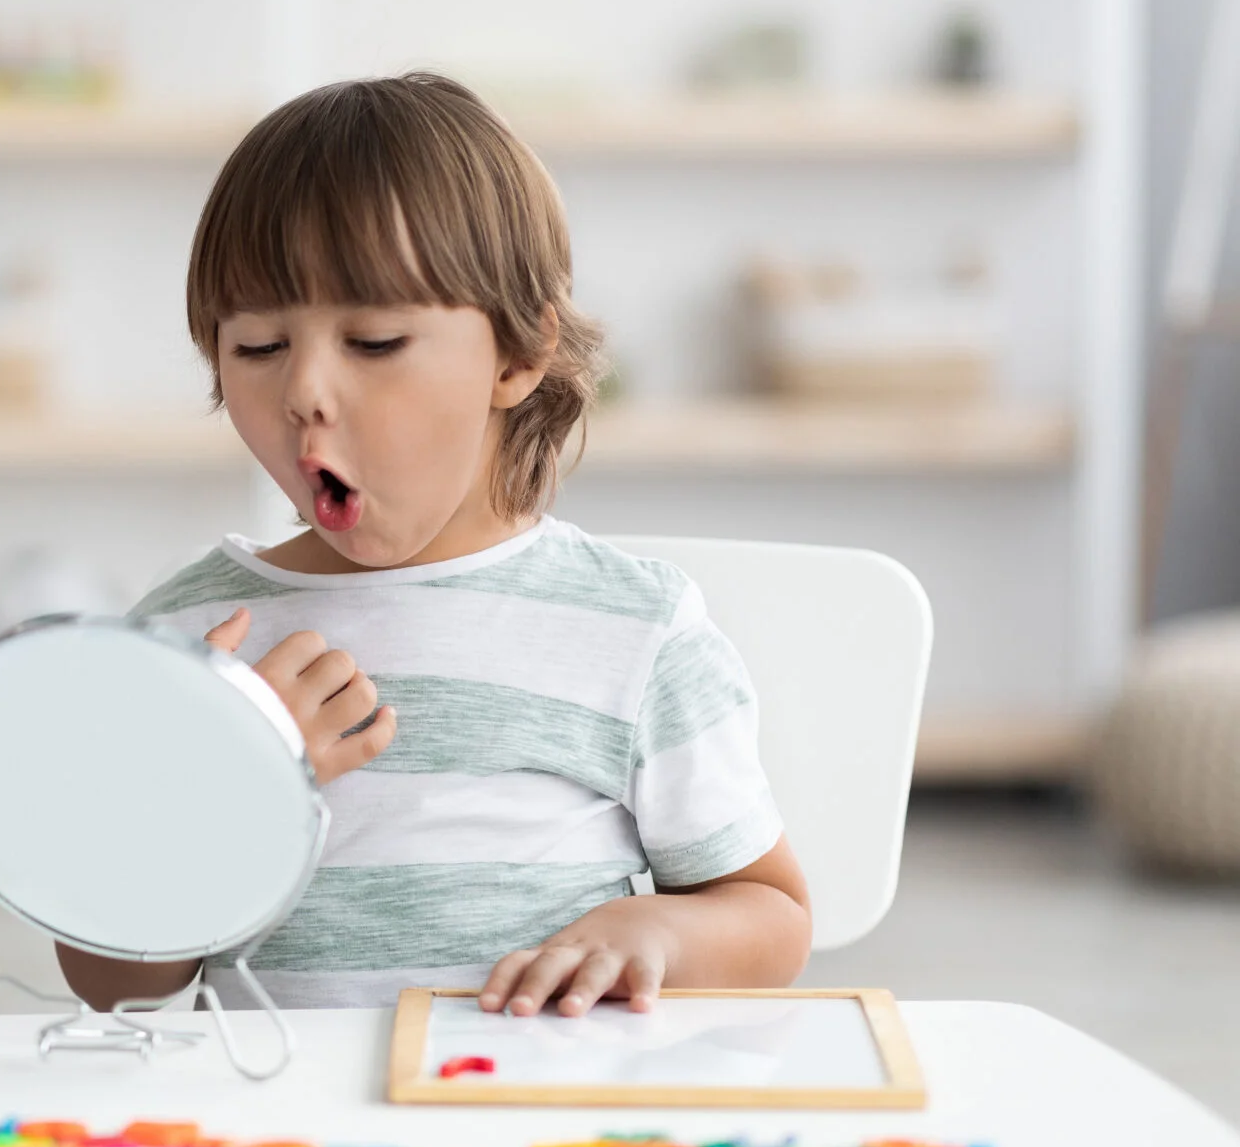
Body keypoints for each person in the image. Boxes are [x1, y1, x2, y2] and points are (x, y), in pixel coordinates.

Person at [56, 73, 811, 1018]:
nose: (305, 392)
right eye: (256, 347)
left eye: (372, 340)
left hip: (528, 1139)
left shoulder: (633, 629)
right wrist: (218, 801)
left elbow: (772, 914)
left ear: (518, 354)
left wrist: (656, 931)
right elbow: (104, 980)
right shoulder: (189, 637)